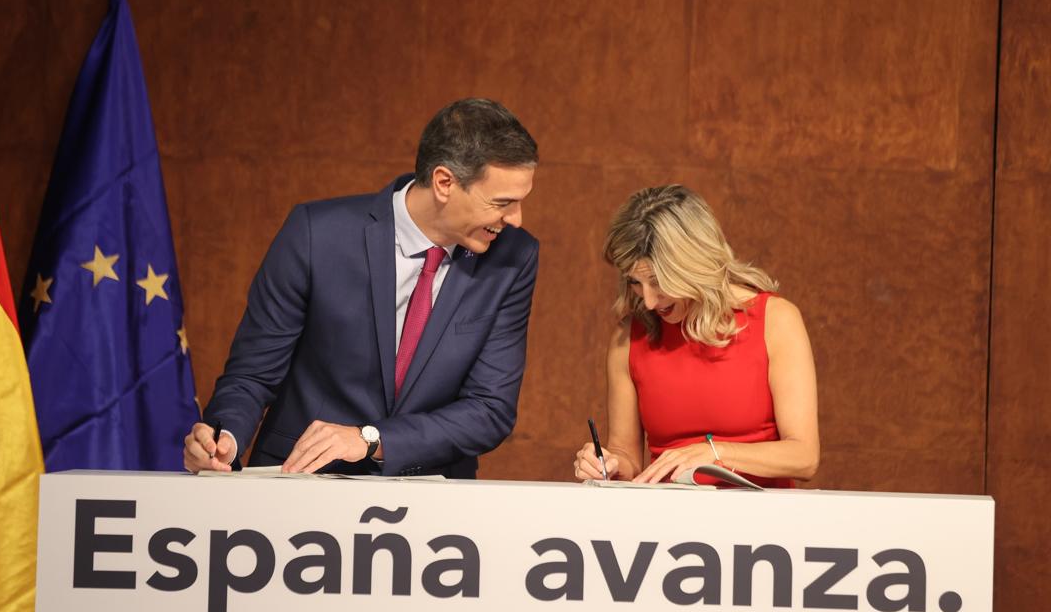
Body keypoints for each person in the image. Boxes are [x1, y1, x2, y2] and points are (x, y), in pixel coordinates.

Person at [184, 98, 539, 477]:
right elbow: (252, 374)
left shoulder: (513, 258)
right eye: (502, 203)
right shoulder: (316, 234)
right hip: (299, 485)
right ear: (444, 182)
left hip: (431, 500)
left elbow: (489, 408)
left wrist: (372, 439)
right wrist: (224, 440)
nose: (516, 219)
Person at [574, 185, 819, 487]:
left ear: (694, 265)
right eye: (635, 283)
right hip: (671, 528)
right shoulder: (628, 339)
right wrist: (608, 465)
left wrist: (714, 453)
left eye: (659, 281)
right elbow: (628, 458)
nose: (648, 301)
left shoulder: (776, 320)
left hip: (761, 527)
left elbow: (804, 456)